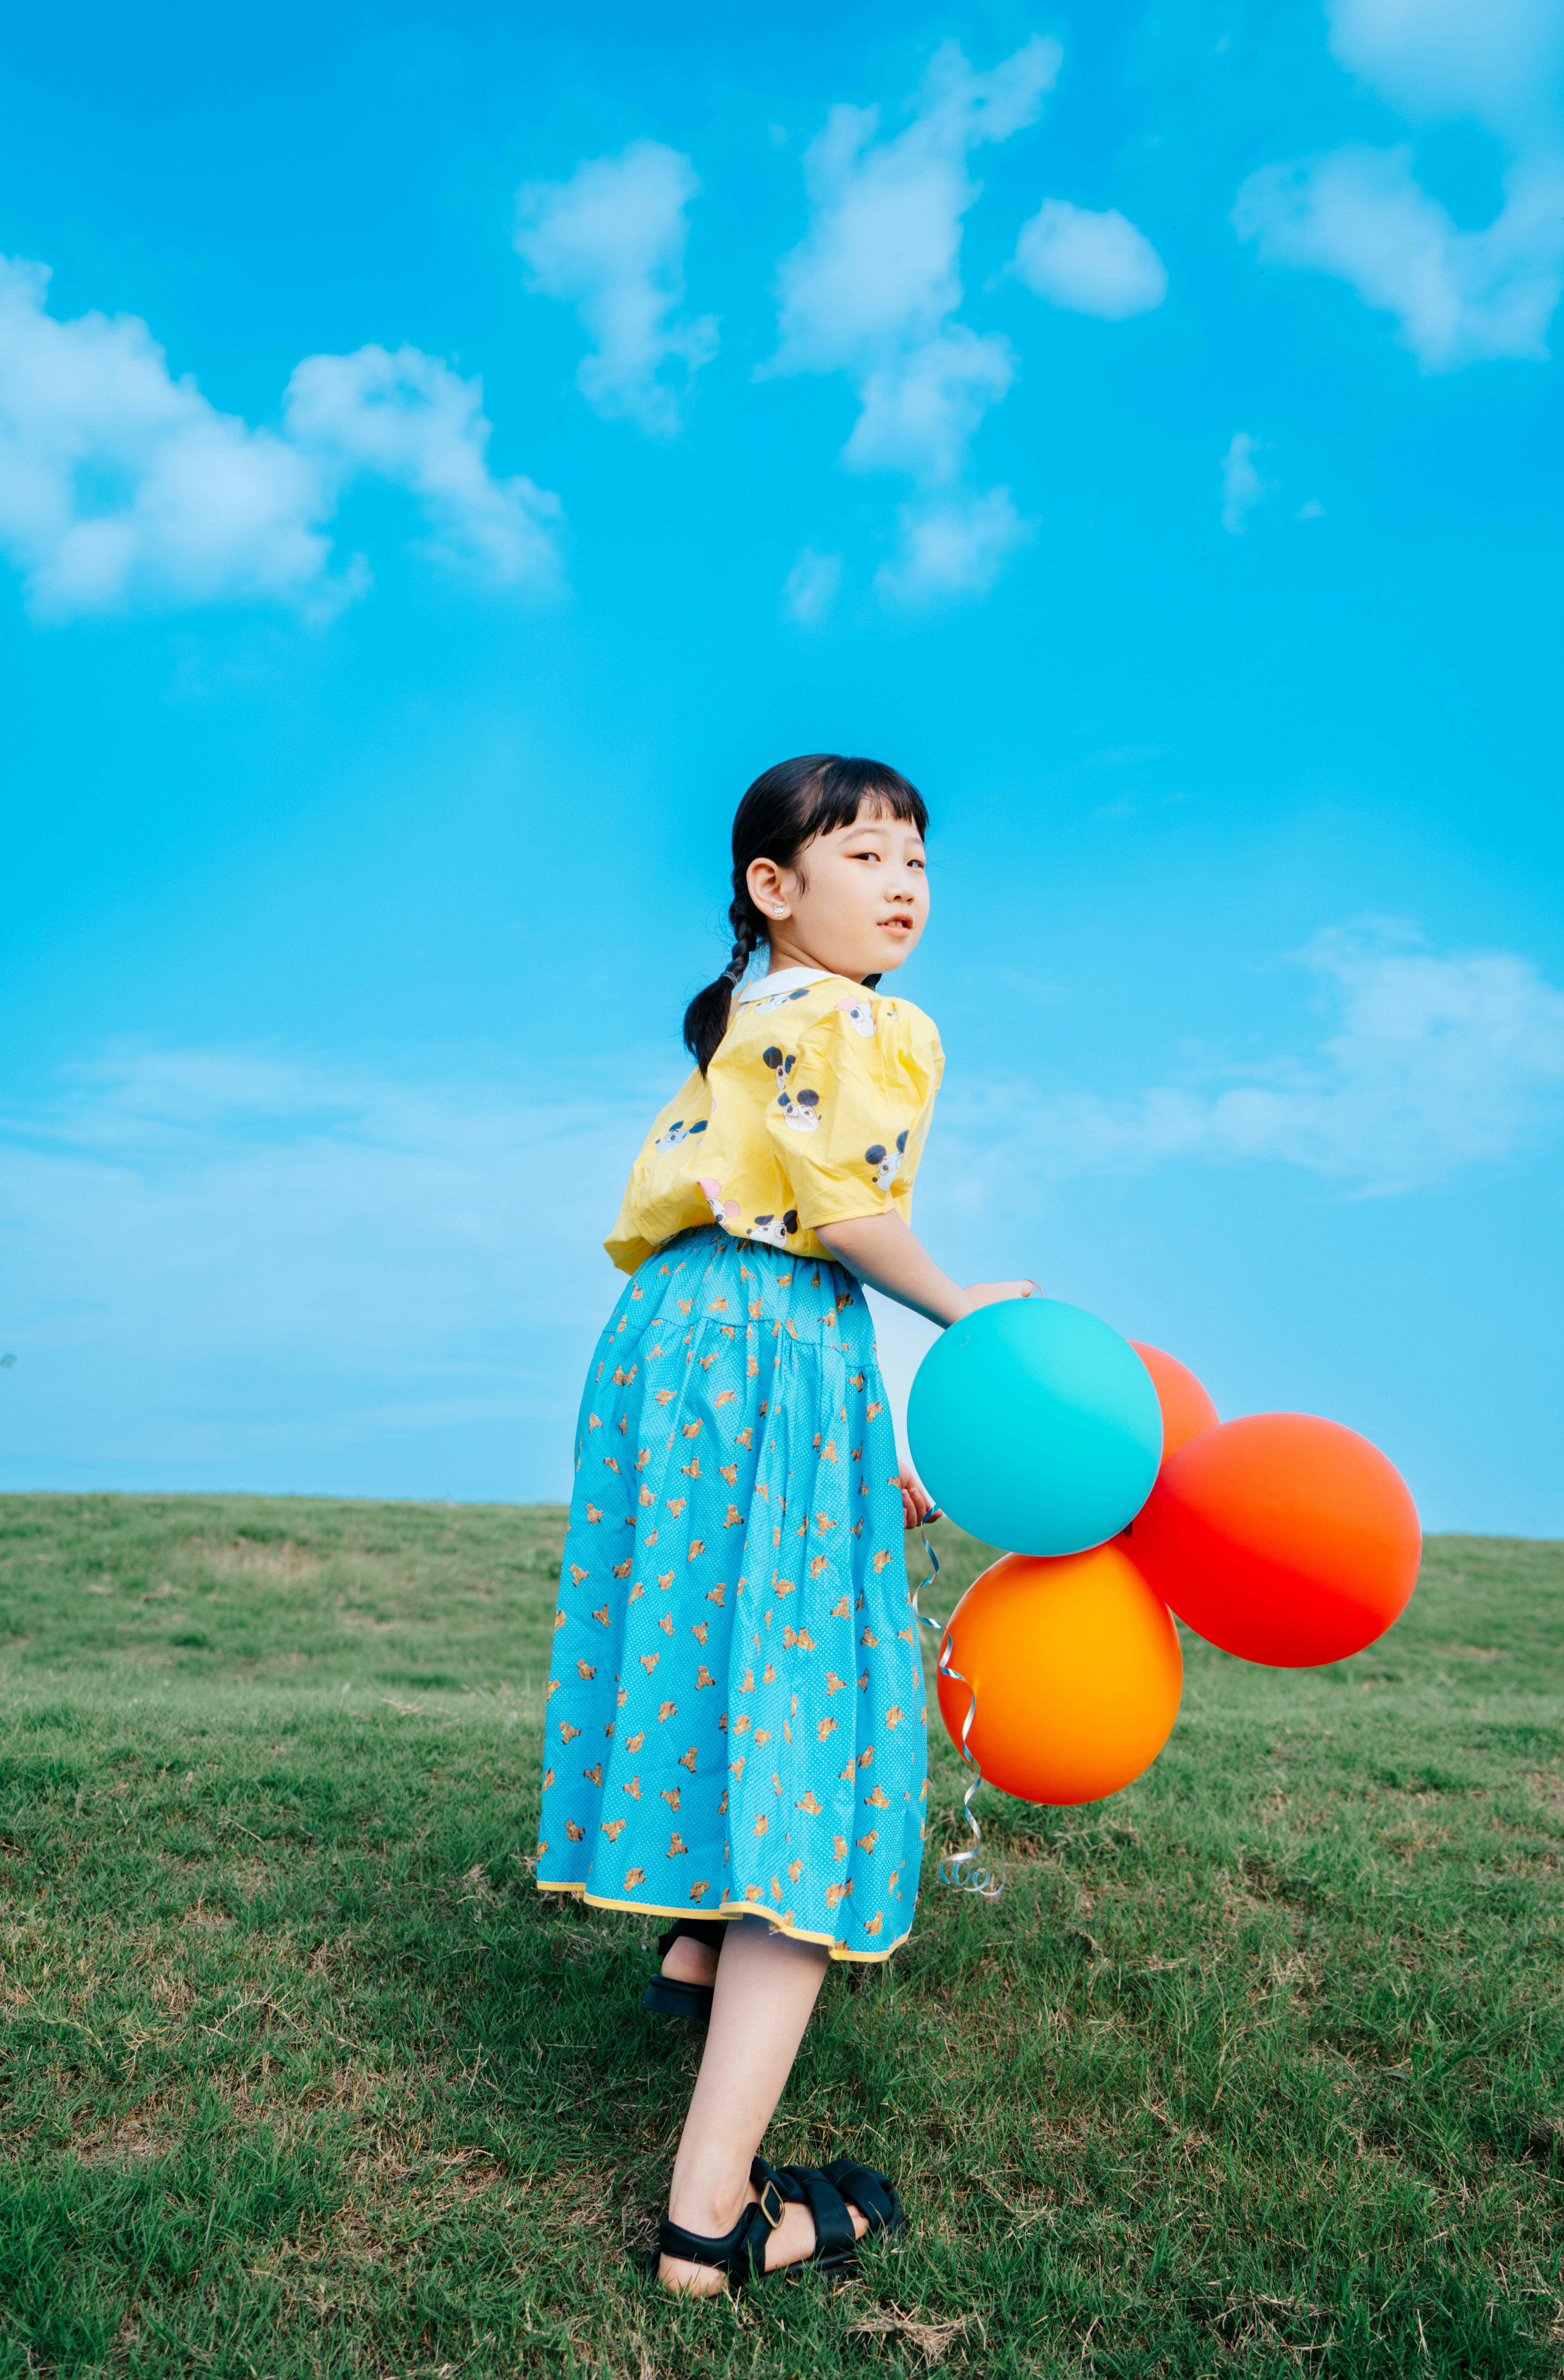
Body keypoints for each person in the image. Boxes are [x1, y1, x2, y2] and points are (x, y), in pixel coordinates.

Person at [535, 752, 1033, 2293]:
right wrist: (975, 1313)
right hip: (772, 1336)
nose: (905, 885)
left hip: (668, 1344)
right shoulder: (872, 1022)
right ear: (775, 887)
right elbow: (845, 1217)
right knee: (812, 1719)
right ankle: (712, 2214)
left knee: (714, 1640)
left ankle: (689, 1946)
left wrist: (846, 1454)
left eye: (920, 862)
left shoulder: (743, 1023)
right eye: (870, 855)